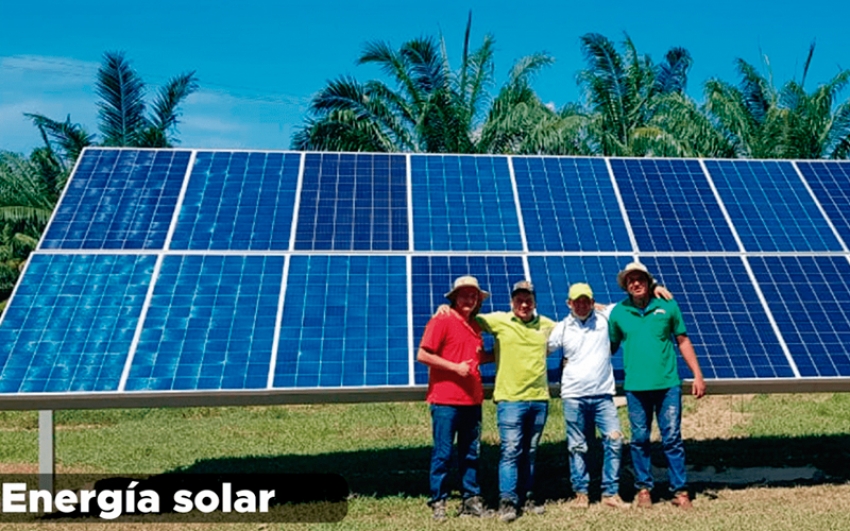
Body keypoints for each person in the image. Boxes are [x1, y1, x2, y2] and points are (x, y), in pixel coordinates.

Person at [609, 262, 706, 510]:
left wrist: (697, 374)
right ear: (626, 286)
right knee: (640, 438)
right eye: (631, 280)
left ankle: (680, 490)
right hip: (636, 387)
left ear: (648, 281)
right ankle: (644, 488)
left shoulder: (668, 305)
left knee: (672, 438)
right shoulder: (619, 312)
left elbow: (683, 340)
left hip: (667, 385)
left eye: (640, 278)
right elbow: (609, 346)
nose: (636, 283)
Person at [474, 280, 556, 523]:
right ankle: (507, 501)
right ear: (512, 302)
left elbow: (578, 322)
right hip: (510, 399)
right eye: (519, 300)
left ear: (534, 303)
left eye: (528, 299)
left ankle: (527, 496)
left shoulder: (547, 325)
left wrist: (601, 307)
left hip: (539, 399)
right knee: (510, 451)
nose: (524, 304)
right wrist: (446, 308)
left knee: (529, 452)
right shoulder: (499, 320)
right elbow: (467, 318)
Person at [547, 282, 631, 510]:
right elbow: (541, 349)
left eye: (587, 301)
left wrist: (655, 288)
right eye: (577, 301)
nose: (582, 305)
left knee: (614, 441)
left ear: (593, 302)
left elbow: (629, 302)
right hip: (574, 396)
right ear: (569, 303)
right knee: (577, 446)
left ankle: (610, 493)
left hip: (603, 395)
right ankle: (581, 494)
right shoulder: (562, 328)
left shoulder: (605, 320)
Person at [417, 275, 492, 521]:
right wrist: (454, 368)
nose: (469, 299)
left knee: (471, 453)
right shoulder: (442, 319)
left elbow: (474, 357)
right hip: (446, 401)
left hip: (472, 401)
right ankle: (438, 500)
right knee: (443, 453)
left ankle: (471, 498)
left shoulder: (475, 325)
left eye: (474, 296)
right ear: (455, 298)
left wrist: (504, 354)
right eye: (464, 295)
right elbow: (423, 355)